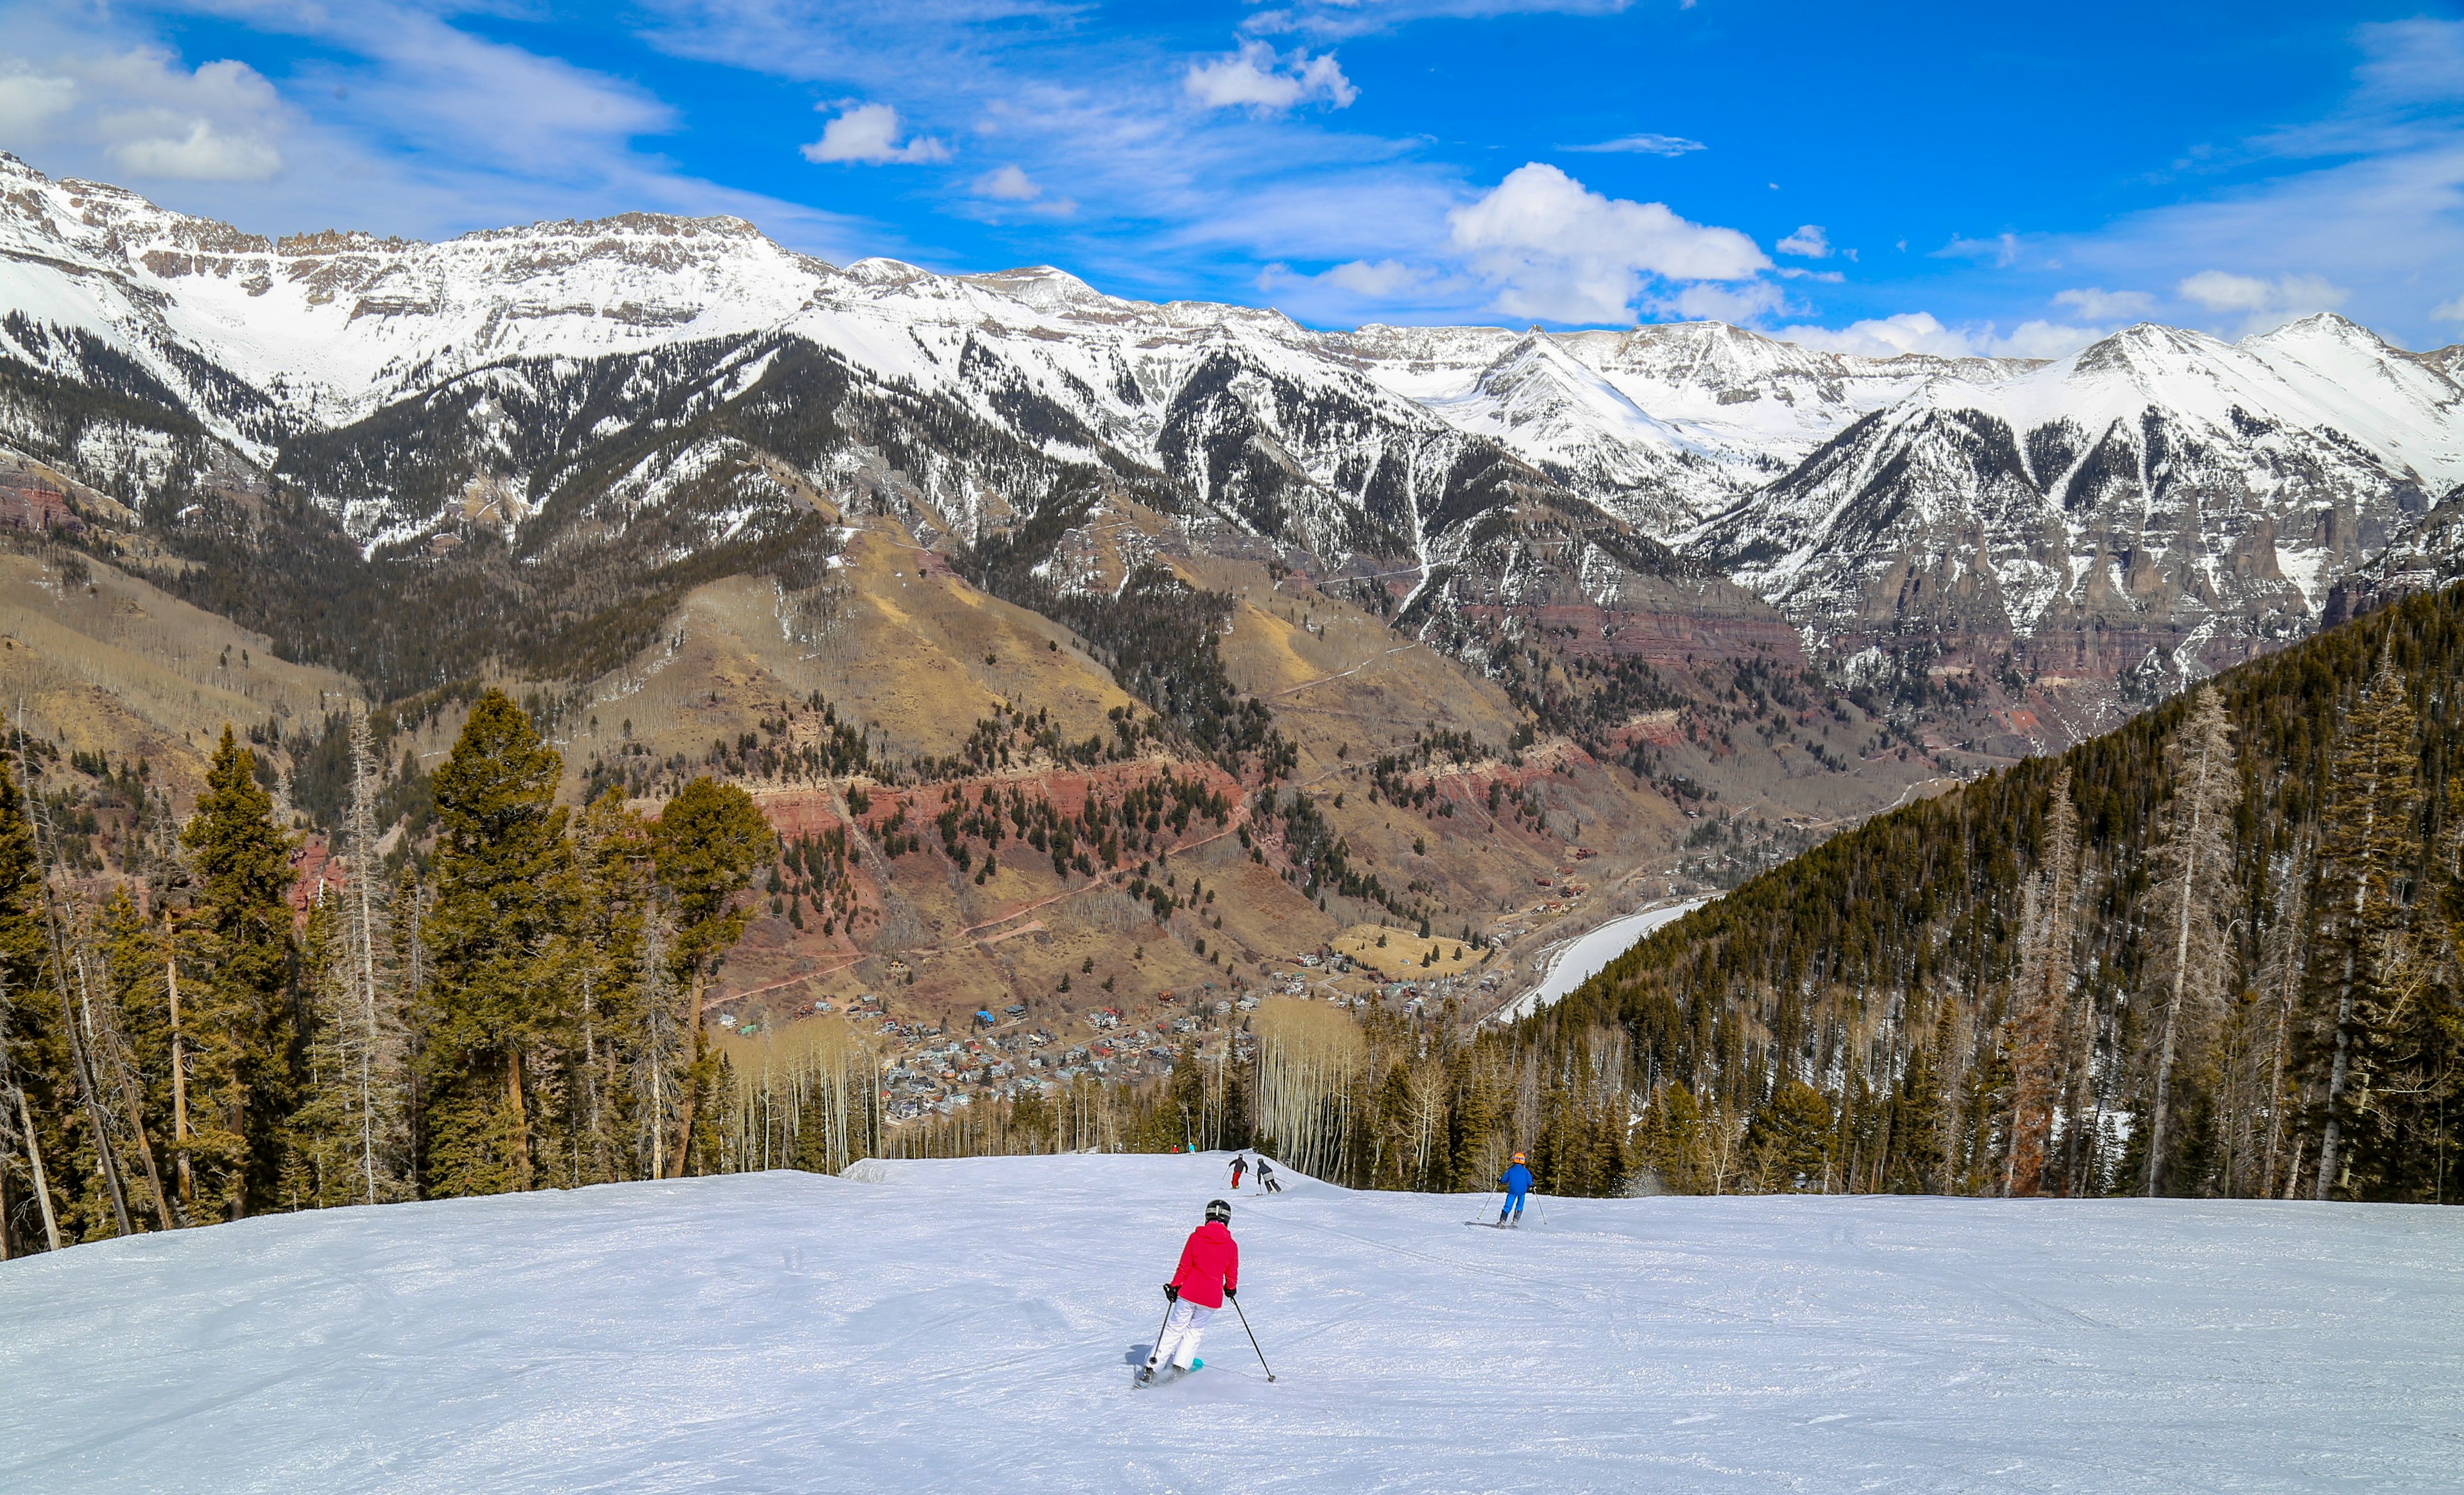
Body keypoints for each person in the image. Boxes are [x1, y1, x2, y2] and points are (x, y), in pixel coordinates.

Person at [1141, 1199, 1240, 1385]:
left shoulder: (1196, 1238)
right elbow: (1231, 1272)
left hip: (1189, 1293)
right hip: (1211, 1298)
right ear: (1227, 1220)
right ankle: (1179, 1367)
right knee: (1195, 1330)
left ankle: (1152, 1369)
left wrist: (1174, 1286)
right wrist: (1231, 1289)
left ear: (1207, 1216)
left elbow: (1185, 1266)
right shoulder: (1231, 1245)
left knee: (1175, 1328)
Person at [1498, 1152, 1533, 1227]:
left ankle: (1502, 1221)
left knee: (1508, 1206)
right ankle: (1515, 1221)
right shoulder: (1526, 1172)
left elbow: (1504, 1180)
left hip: (1512, 1191)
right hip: (1522, 1192)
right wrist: (1532, 1185)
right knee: (1520, 1206)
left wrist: (1500, 1180)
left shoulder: (1510, 1171)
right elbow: (1530, 1182)